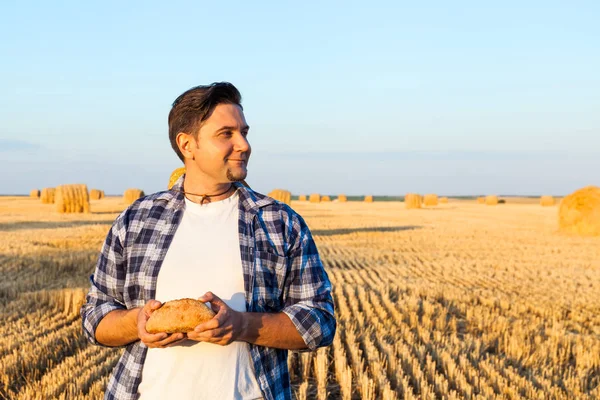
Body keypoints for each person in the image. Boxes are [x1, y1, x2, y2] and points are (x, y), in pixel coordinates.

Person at [81, 82, 336, 400]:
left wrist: (241, 326)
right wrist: (138, 322)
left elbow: (321, 321)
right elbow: (95, 317)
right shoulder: (136, 220)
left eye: (244, 131)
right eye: (226, 134)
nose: (244, 144)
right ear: (187, 145)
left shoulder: (280, 222)